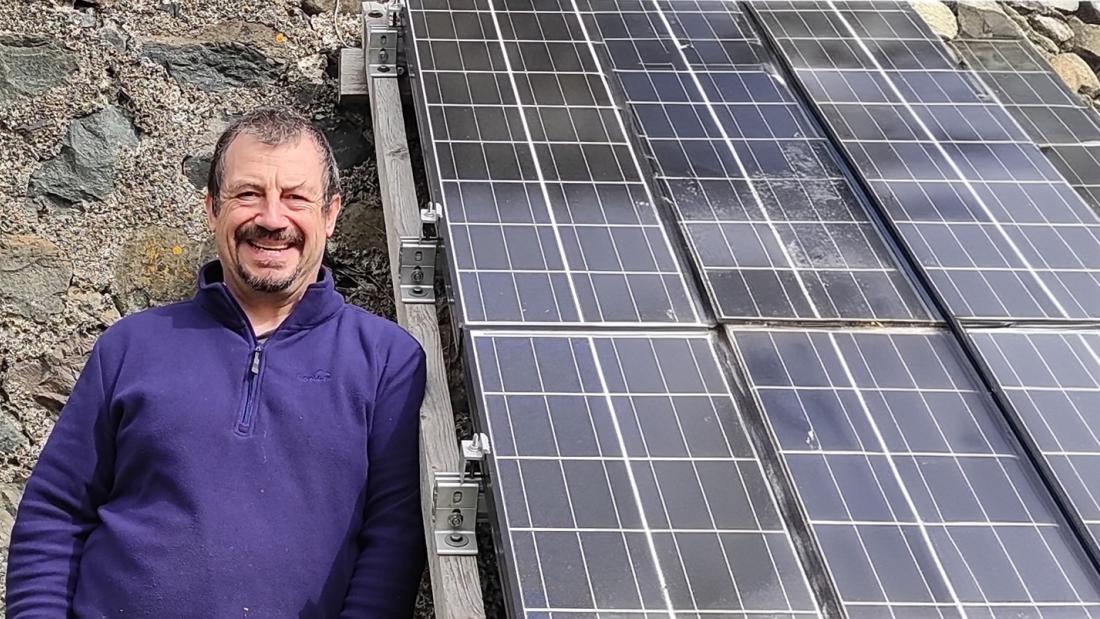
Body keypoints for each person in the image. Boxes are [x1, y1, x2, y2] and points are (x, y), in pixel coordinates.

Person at [5, 107, 427, 617]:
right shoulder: (130, 346)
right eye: (249, 194)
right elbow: (55, 514)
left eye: (295, 197)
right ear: (212, 209)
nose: (272, 219)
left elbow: (392, 541)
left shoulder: (387, 361)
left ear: (331, 214)